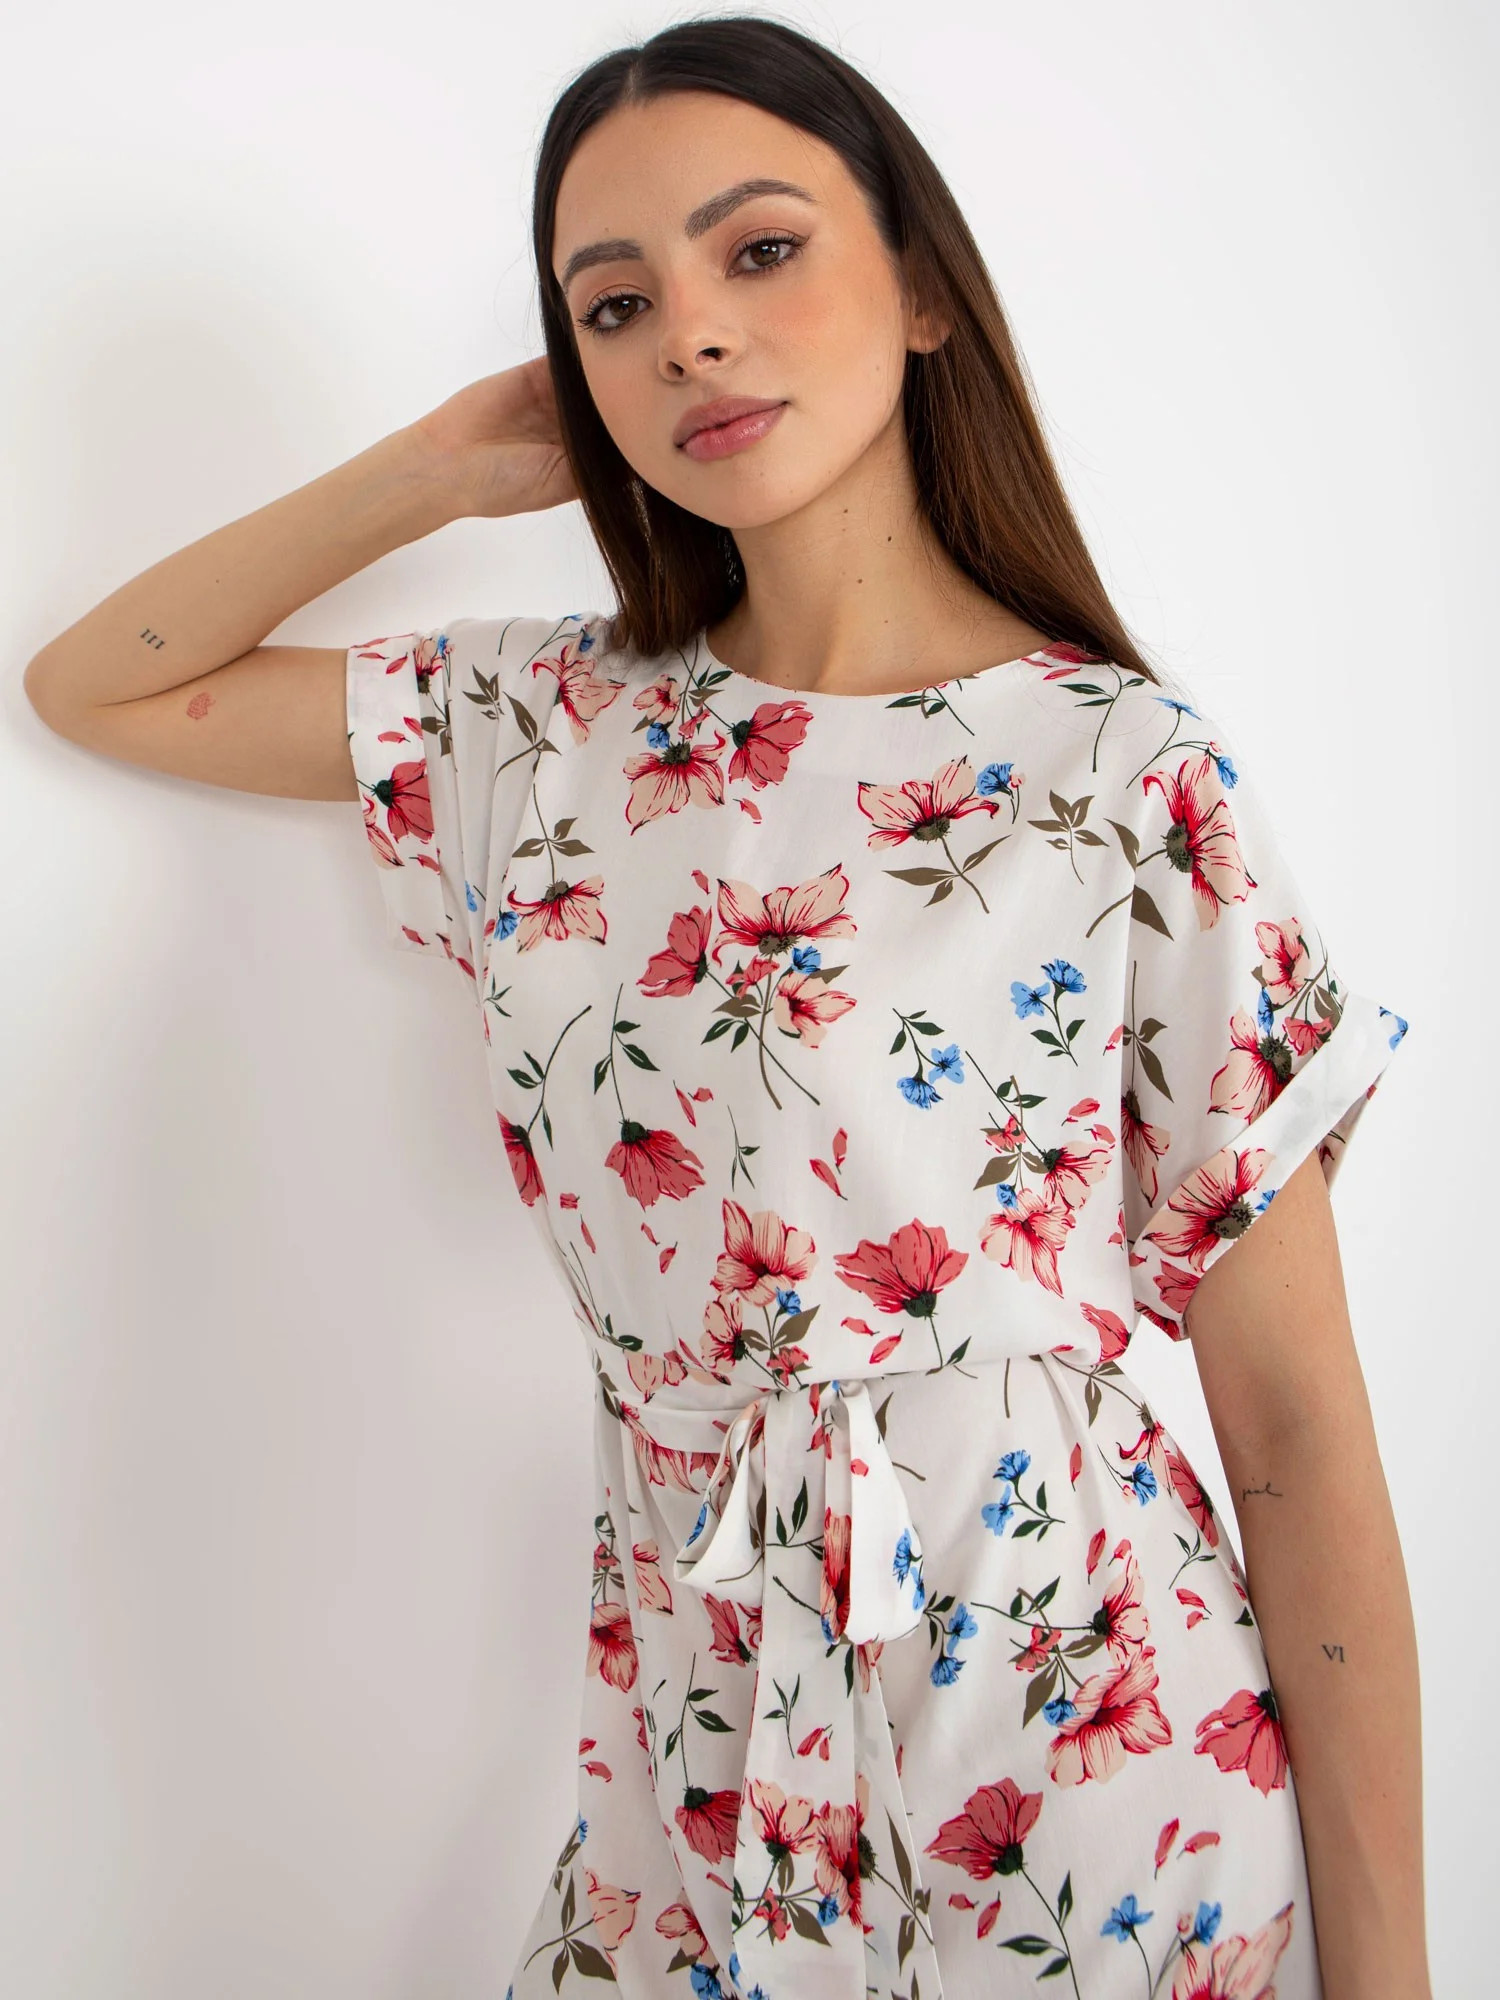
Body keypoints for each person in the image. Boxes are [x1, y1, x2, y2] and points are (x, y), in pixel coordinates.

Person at [22, 15, 1429, 2000]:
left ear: (925, 289)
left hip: (1086, 1738)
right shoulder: (543, 730)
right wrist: (438, 468)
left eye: (759, 251)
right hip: (691, 1732)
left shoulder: (1122, 770)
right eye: (615, 304)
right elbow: (101, 684)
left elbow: (1293, 1423)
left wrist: (1393, 1974)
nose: (688, 333)